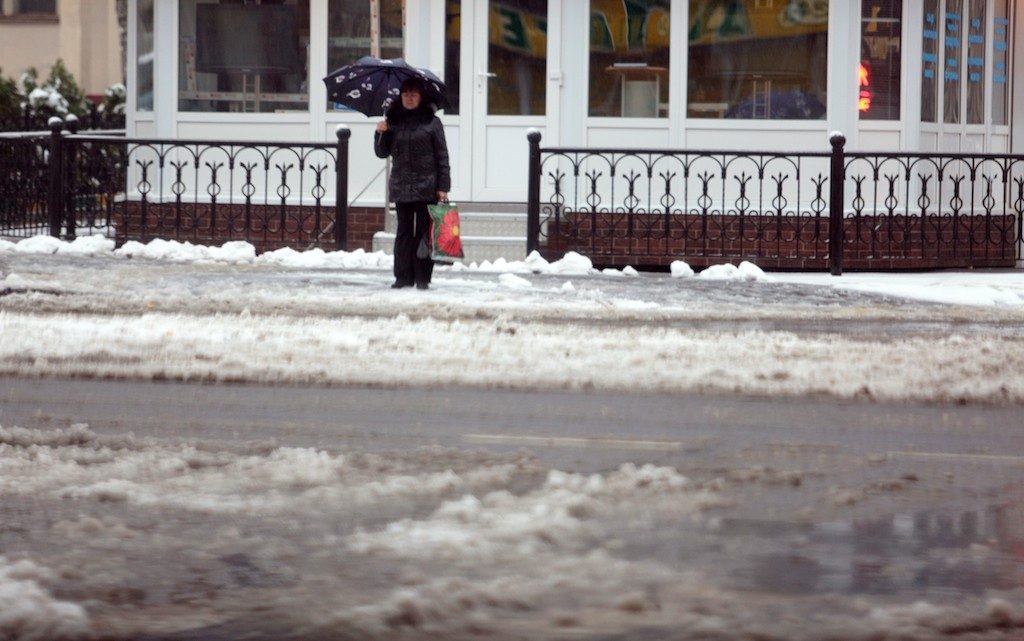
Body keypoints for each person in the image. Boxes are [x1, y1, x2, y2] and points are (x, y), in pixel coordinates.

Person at [374, 77, 451, 290]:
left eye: (413, 94)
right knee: (404, 233)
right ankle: (403, 277)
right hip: (401, 186)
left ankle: (422, 277)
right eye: (405, 94)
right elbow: (382, 152)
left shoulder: (432, 122)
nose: (409, 98)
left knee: (425, 233)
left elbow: (442, 156)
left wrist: (443, 187)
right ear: (400, 96)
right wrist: (380, 133)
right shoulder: (393, 120)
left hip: (428, 186)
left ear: (421, 97)